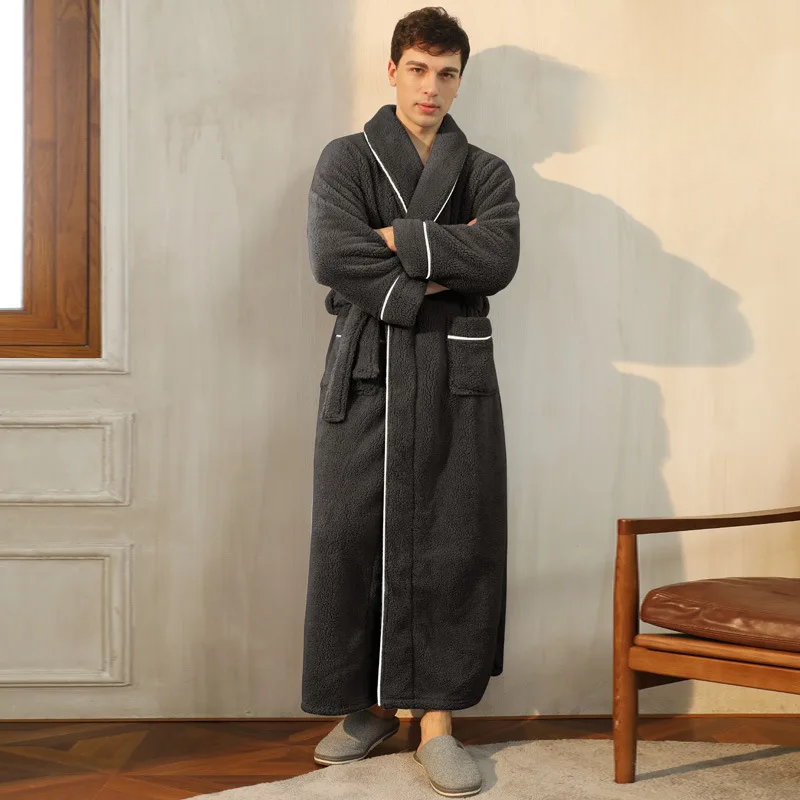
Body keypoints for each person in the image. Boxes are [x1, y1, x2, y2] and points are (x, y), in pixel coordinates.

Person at [301, 6, 520, 796]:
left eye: (447, 73)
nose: (431, 87)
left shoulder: (487, 171)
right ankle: (365, 708)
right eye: (419, 69)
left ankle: (436, 721)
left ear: (460, 81)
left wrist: (397, 238)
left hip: (454, 375)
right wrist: (435, 265)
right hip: (366, 371)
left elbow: (498, 257)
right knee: (347, 536)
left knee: (453, 538)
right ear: (393, 70)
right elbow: (332, 252)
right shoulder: (345, 159)